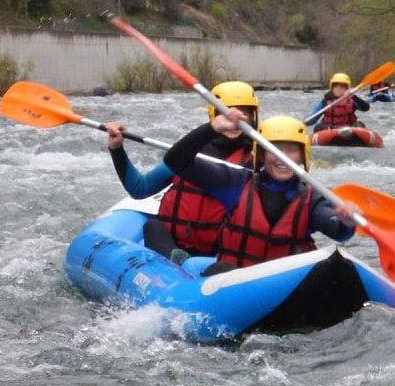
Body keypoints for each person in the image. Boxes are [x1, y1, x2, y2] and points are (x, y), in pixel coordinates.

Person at [164, 112, 357, 276]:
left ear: (302, 156)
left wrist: (345, 221)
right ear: (262, 155)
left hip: (284, 287)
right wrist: (212, 128)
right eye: (275, 150)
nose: (283, 158)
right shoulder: (234, 183)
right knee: (219, 269)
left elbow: (336, 229)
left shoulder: (311, 197)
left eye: (291, 150)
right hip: (232, 281)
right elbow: (175, 160)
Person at [106, 81, 259, 263]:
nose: (235, 122)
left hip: (217, 251)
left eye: (244, 114)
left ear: (253, 117)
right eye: (227, 113)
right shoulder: (186, 153)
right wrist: (117, 150)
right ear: (214, 115)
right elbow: (139, 188)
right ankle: (178, 260)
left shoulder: (258, 161)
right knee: (153, 227)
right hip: (173, 245)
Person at [305, 73, 370, 132]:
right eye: (335, 86)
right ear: (332, 87)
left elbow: (366, 108)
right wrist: (305, 122)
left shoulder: (352, 100)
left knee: (360, 124)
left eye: (342, 86)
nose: (338, 88)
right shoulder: (325, 101)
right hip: (329, 130)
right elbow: (311, 121)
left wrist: (354, 97)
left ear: (347, 88)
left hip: (349, 130)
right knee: (318, 127)